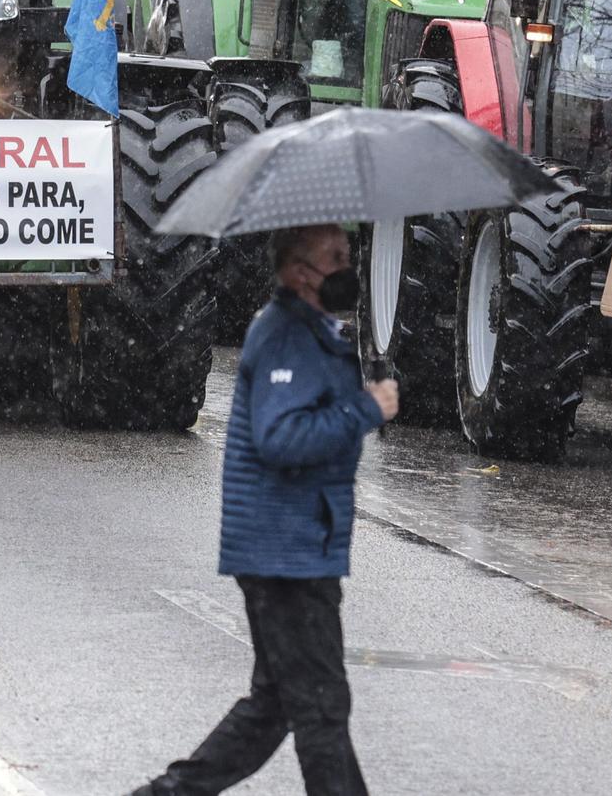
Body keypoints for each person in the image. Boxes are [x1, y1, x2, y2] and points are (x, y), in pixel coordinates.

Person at [131, 224, 398, 796]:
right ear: (299, 271)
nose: (346, 267)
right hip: (284, 551)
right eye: (335, 258)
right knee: (321, 707)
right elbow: (280, 440)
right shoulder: (284, 336)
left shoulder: (313, 331)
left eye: (348, 255)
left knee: (276, 704)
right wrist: (363, 411)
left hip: (300, 545)